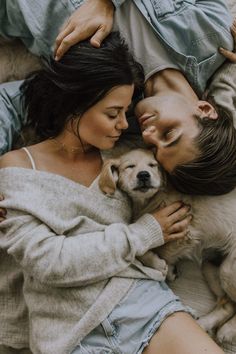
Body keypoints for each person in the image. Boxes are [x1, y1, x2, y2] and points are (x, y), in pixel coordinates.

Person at [0, 32, 224, 354]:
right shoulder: (18, 166)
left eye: (126, 111)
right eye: (112, 113)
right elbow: (50, 262)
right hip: (69, 331)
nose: (124, 123)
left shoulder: (125, 158)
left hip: (142, 302)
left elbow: (208, 133)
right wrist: (145, 233)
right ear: (76, 105)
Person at [54, 0, 236, 196]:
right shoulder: (213, 37)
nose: (147, 135)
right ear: (204, 109)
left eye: (152, 148)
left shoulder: (108, 109)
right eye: (169, 134)